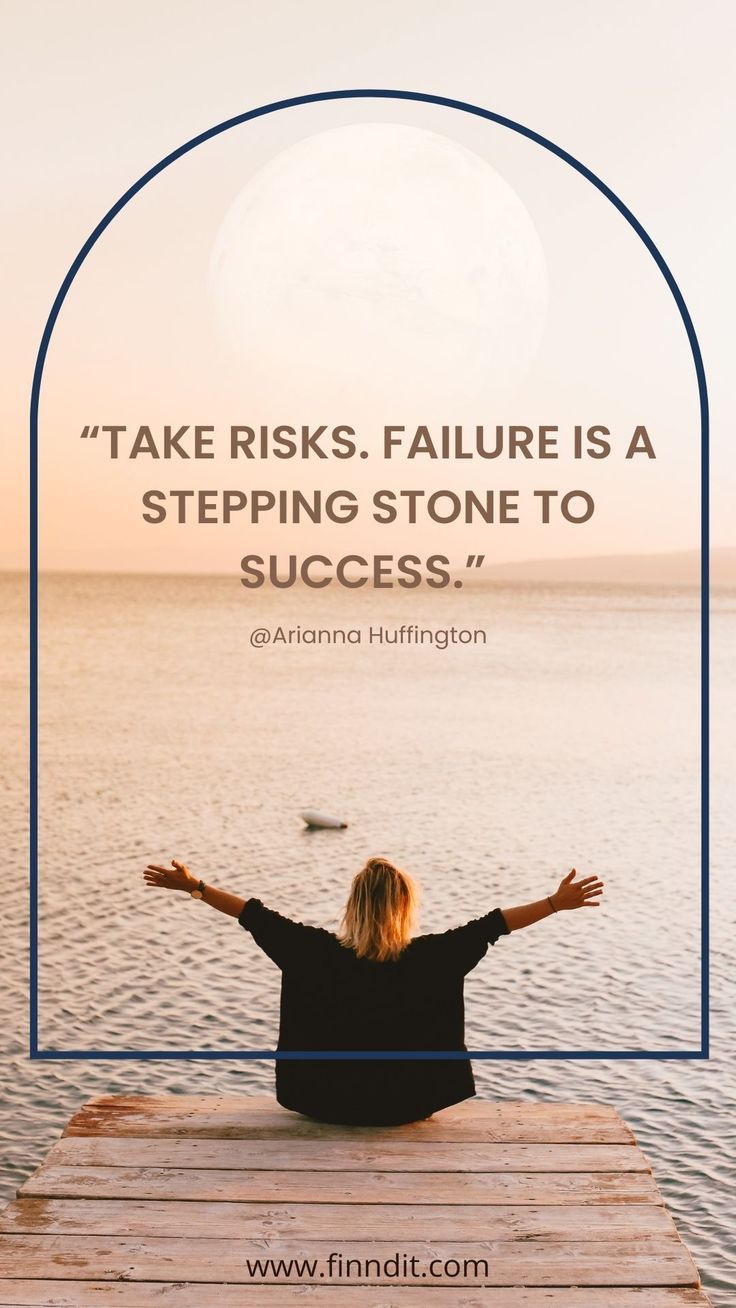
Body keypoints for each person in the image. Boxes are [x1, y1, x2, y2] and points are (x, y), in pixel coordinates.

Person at [142, 855, 604, 1125]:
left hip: (320, 1103)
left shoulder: (311, 950)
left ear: (353, 905)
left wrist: (195, 887)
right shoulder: (436, 955)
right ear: (406, 907)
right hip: (407, 1107)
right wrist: (554, 904)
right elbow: (496, 924)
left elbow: (251, 914)